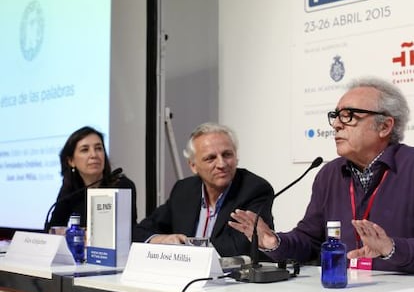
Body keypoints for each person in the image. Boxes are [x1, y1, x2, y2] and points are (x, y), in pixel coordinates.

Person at [229, 77, 414, 273]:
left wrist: (391, 249)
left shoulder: (409, 166)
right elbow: (310, 240)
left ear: (384, 126)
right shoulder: (330, 174)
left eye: (348, 116)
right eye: (335, 116)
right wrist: (274, 241)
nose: (336, 124)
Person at [133, 122, 275, 257]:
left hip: (232, 279)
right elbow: (140, 231)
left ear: (236, 157)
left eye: (227, 154)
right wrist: (158, 239)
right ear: (193, 166)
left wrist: (184, 249)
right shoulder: (183, 190)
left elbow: (243, 245)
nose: (221, 164)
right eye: (210, 158)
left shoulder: (255, 189)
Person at [47, 126, 137, 235]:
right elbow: (52, 229)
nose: (94, 155)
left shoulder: (122, 185)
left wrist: (76, 233)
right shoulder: (71, 190)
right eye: (85, 150)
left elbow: (123, 232)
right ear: (71, 161)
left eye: (98, 148)